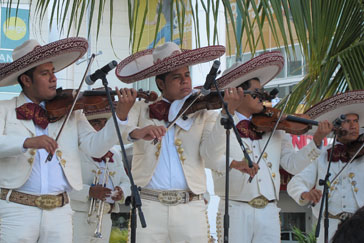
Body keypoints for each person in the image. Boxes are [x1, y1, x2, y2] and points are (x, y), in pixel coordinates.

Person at [0, 37, 136, 243]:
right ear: (26, 80)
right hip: (17, 210)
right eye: (45, 74)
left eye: (53, 72)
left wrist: (120, 117)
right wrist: (27, 142)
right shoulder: (5, 109)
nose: (54, 78)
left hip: (59, 212)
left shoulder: (71, 112)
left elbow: (95, 148)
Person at [206, 52, 333, 243]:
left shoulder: (274, 126)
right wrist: (235, 163)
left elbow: (291, 165)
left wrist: (315, 141)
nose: (263, 96)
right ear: (239, 93)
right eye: (256, 92)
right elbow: (208, 156)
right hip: (235, 209)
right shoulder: (218, 122)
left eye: (262, 92)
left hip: (270, 211)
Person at [115, 41, 228, 243]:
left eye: (187, 75)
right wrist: (140, 132)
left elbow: (210, 157)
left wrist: (227, 114)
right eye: (177, 77)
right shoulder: (141, 108)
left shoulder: (202, 111)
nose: (185, 81)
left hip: (190, 206)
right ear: (160, 84)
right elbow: (122, 131)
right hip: (149, 205)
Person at [287, 90, 364, 243]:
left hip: (360, 227)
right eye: (348, 121)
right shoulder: (323, 156)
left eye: (356, 121)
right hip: (329, 227)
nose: (354, 125)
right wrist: (305, 194)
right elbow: (295, 183)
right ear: (336, 126)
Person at [70, 105, 131, 243]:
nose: (103, 128)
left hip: (105, 215)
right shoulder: (73, 151)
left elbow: (126, 181)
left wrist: (121, 191)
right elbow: (62, 185)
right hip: (79, 216)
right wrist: (89, 191)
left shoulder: (114, 153)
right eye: (96, 123)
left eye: (105, 123)